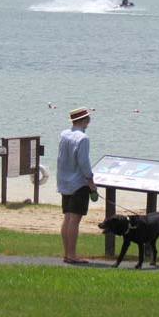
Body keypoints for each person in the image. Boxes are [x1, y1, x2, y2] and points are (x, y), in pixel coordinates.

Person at [57, 107, 97, 264]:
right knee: (74, 219)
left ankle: (67, 253)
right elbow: (84, 163)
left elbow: (61, 158)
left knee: (67, 218)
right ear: (84, 120)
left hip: (64, 181)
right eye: (88, 118)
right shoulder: (83, 139)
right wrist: (91, 182)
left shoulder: (64, 134)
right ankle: (72, 255)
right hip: (78, 183)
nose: (89, 121)